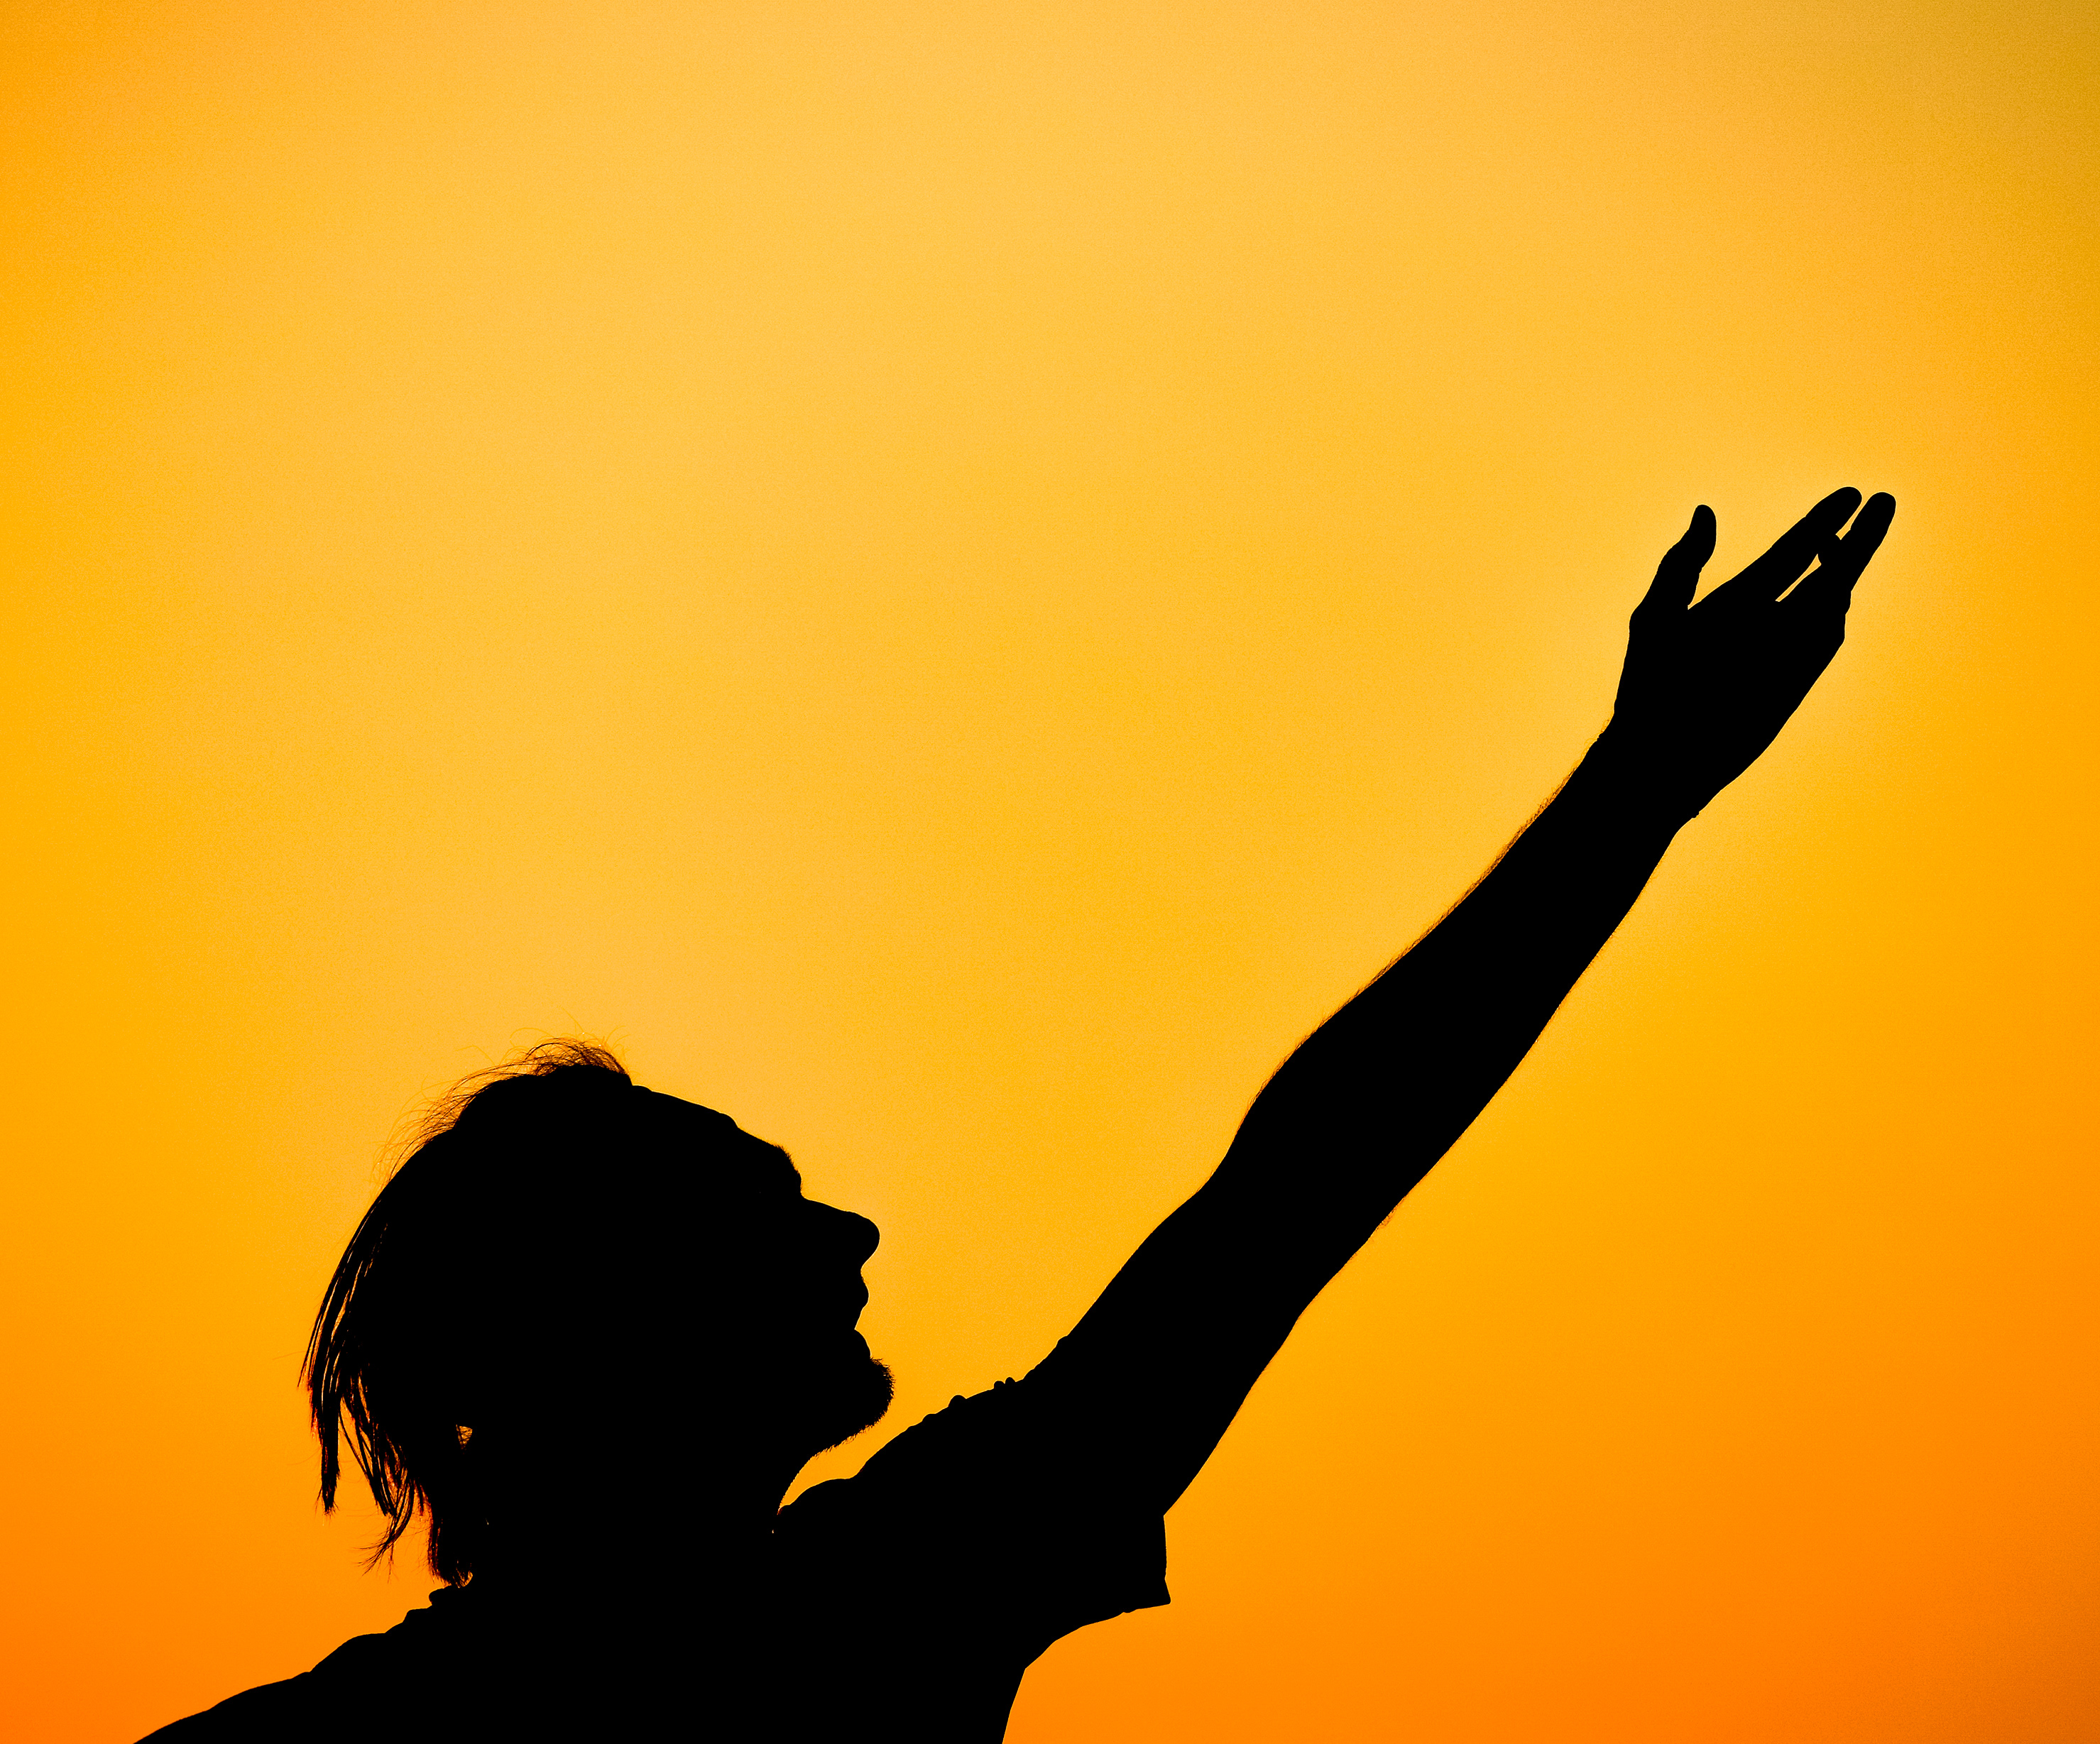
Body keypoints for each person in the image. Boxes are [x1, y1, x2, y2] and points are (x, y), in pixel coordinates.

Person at [145, 488, 1896, 1742]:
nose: (855, 1234)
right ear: (612, 1326)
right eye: (764, 1216)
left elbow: (1281, 1201)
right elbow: (1283, 1203)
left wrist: (1639, 788)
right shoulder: (868, 1618)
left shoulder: (876, 1594)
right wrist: (1634, 793)